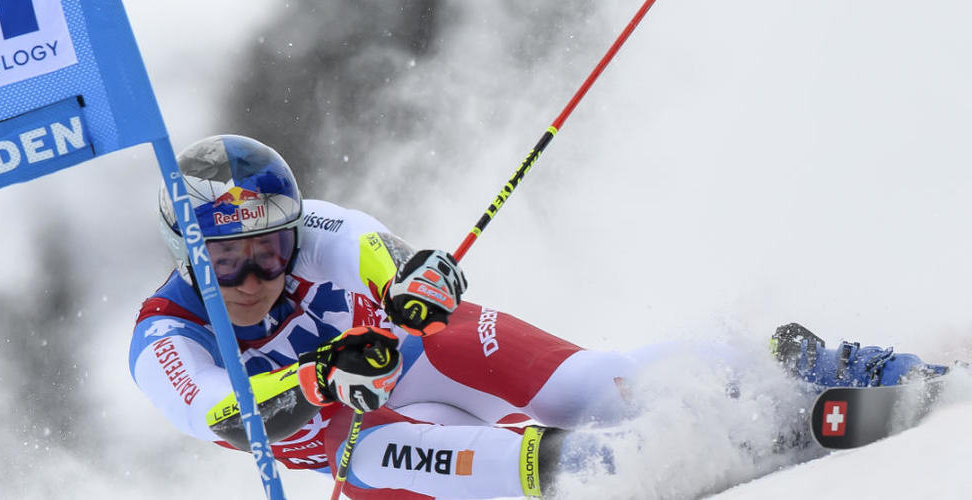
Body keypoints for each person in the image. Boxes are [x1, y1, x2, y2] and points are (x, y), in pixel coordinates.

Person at [129, 135, 949, 499]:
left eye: (270, 252)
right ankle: (666, 458)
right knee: (541, 472)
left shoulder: (316, 228)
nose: (254, 277)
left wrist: (428, 283)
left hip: (420, 358)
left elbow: (394, 260)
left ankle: (794, 364)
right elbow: (228, 414)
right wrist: (317, 376)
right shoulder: (165, 336)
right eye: (227, 262)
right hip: (358, 447)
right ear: (186, 259)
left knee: (595, 382)